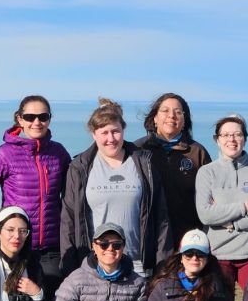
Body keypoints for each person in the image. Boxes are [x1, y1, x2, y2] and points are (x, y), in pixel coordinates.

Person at [60, 97, 172, 278]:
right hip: (94, 267)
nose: (111, 139)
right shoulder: (79, 168)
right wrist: (70, 270)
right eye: (104, 133)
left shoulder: (144, 163)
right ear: (94, 134)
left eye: (115, 131)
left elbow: (161, 219)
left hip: (138, 266)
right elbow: (68, 222)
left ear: (123, 130)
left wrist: (162, 268)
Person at [0, 95, 72, 292]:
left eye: (43, 117)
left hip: (51, 248)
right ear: (19, 119)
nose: (37, 122)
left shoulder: (58, 153)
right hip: (15, 246)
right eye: (30, 117)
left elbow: (74, 194)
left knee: (50, 300)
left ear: (49, 119)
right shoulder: (4, 154)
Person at [196, 114, 248, 294]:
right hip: (218, 254)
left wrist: (233, 224)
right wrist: (245, 206)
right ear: (217, 140)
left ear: (245, 139)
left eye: (237, 134)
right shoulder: (206, 172)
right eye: (225, 135)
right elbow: (205, 214)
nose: (231, 139)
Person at [136, 93, 211, 238]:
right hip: (147, 234)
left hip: (188, 235)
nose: (171, 116)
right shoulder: (139, 150)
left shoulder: (197, 152)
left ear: (184, 120)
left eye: (178, 112)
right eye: (165, 111)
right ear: (155, 118)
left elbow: (211, 195)